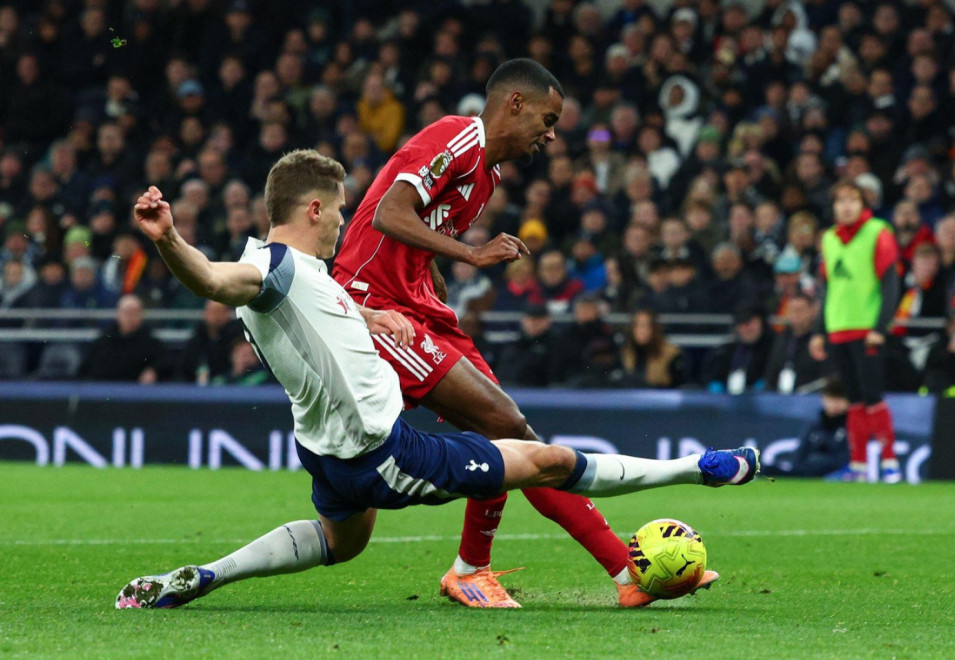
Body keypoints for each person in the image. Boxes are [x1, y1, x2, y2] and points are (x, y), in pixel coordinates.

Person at [115, 152, 759, 609]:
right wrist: (169, 240)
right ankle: (699, 469)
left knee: (342, 541)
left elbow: (308, 310)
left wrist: (369, 315)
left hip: (324, 453)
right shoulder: (273, 268)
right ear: (313, 208)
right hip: (385, 454)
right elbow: (211, 279)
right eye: (338, 210)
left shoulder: (292, 272)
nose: (343, 222)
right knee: (545, 458)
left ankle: (206, 575)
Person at [331, 59, 666, 608]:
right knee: (504, 425)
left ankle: (622, 576)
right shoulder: (456, 137)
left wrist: (432, 276)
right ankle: (478, 569)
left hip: (419, 306)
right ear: (515, 103)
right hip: (375, 307)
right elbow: (391, 213)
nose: (551, 135)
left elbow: (418, 234)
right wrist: (471, 254)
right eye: (547, 119)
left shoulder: (489, 175)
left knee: (519, 439)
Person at [809, 180, 902, 483]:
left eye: (852, 199)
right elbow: (828, 289)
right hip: (838, 329)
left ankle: (890, 463)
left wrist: (880, 326)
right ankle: (859, 465)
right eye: (840, 200)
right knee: (854, 400)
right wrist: (819, 330)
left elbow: (890, 282)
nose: (846, 206)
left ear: (863, 204)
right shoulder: (829, 238)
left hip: (866, 329)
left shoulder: (877, 231)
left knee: (873, 396)